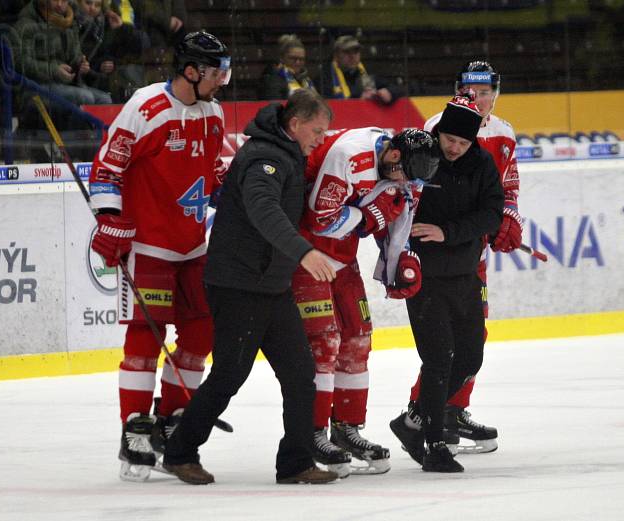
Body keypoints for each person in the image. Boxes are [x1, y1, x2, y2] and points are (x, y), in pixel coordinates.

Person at [163, 89, 340, 485]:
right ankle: (179, 451)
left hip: (270, 285)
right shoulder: (265, 157)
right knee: (230, 374)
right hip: (238, 284)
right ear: (294, 125)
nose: (321, 139)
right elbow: (265, 211)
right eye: (316, 130)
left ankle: (295, 463)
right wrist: (304, 253)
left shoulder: (287, 152)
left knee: (299, 372)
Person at [87, 30, 232, 482]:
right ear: (191, 71)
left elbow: (214, 168)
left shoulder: (213, 111)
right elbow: (108, 167)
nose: (222, 81)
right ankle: (134, 428)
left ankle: (171, 418)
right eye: (215, 72)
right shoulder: (146, 107)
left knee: (201, 331)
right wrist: (110, 218)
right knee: (145, 339)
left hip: (193, 245)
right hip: (149, 243)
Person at [390, 61, 522, 459]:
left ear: (495, 93)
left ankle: (451, 409)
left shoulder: (502, 134)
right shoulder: (433, 128)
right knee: (440, 348)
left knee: (471, 340)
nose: (479, 99)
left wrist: (508, 218)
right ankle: (429, 413)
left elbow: (506, 188)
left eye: (486, 93)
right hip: (434, 258)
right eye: (472, 91)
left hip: (469, 252)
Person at [294, 127, 438, 477]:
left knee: (358, 338)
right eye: (405, 175)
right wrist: (367, 218)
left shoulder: (407, 166)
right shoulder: (349, 155)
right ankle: (313, 432)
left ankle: (346, 428)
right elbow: (321, 219)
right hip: (307, 254)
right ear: (392, 157)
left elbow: (398, 213)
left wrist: (400, 258)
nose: (408, 183)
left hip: (344, 261)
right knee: (325, 343)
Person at [11, 0, 113, 107]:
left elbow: (75, 54)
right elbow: (18, 61)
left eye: (63, 0)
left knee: (105, 99)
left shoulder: (69, 20)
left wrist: (80, 64)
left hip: (64, 84)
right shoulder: (27, 23)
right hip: (35, 86)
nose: (59, 4)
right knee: (85, 97)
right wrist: (54, 70)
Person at [318, 35, 402, 105]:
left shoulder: (366, 73)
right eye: (347, 52)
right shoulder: (325, 78)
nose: (352, 56)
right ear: (336, 56)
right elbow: (328, 106)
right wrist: (358, 100)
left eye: (356, 51)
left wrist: (389, 92)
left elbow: (398, 88)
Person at [258, 34, 316, 100]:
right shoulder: (272, 79)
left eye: (301, 59)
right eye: (293, 58)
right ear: (282, 58)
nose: (298, 62)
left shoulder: (306, 80)